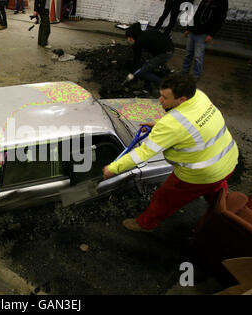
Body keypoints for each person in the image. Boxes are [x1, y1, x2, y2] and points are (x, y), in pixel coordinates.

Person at [102, 72, 239, 232]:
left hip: (200, 174)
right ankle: (222, 210)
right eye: (160, 95)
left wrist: (112, 169)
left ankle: (145, 224)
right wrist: (159, 124)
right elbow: (187, 121)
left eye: (165, 98)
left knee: (164, 198)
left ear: (182, 99)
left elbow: (142, 154)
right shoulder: (199, 97)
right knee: (215, 190)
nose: (160, 100)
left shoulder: (171, 125)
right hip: (228, 161)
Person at [182, 0, 228, 79]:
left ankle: (196, 75)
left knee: (198, 56)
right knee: (188, 53)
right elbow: (197, 14)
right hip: (193, 31)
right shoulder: (204, 0)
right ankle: (184, 71)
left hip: (203, 34)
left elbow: (220, 20)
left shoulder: (222, 2)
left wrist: (211, 34)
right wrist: (188, 29)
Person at [125, 22, 174, 94]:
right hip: (166, 49)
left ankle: (165, 85)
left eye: (129, 37)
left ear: (133, 36)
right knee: (147, 67)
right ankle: (147, 88)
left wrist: (132, 73)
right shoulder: (145, 34)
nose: (128, 40)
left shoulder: (139, 41)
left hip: (165, 53)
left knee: (142, 72)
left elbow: (136, 59)